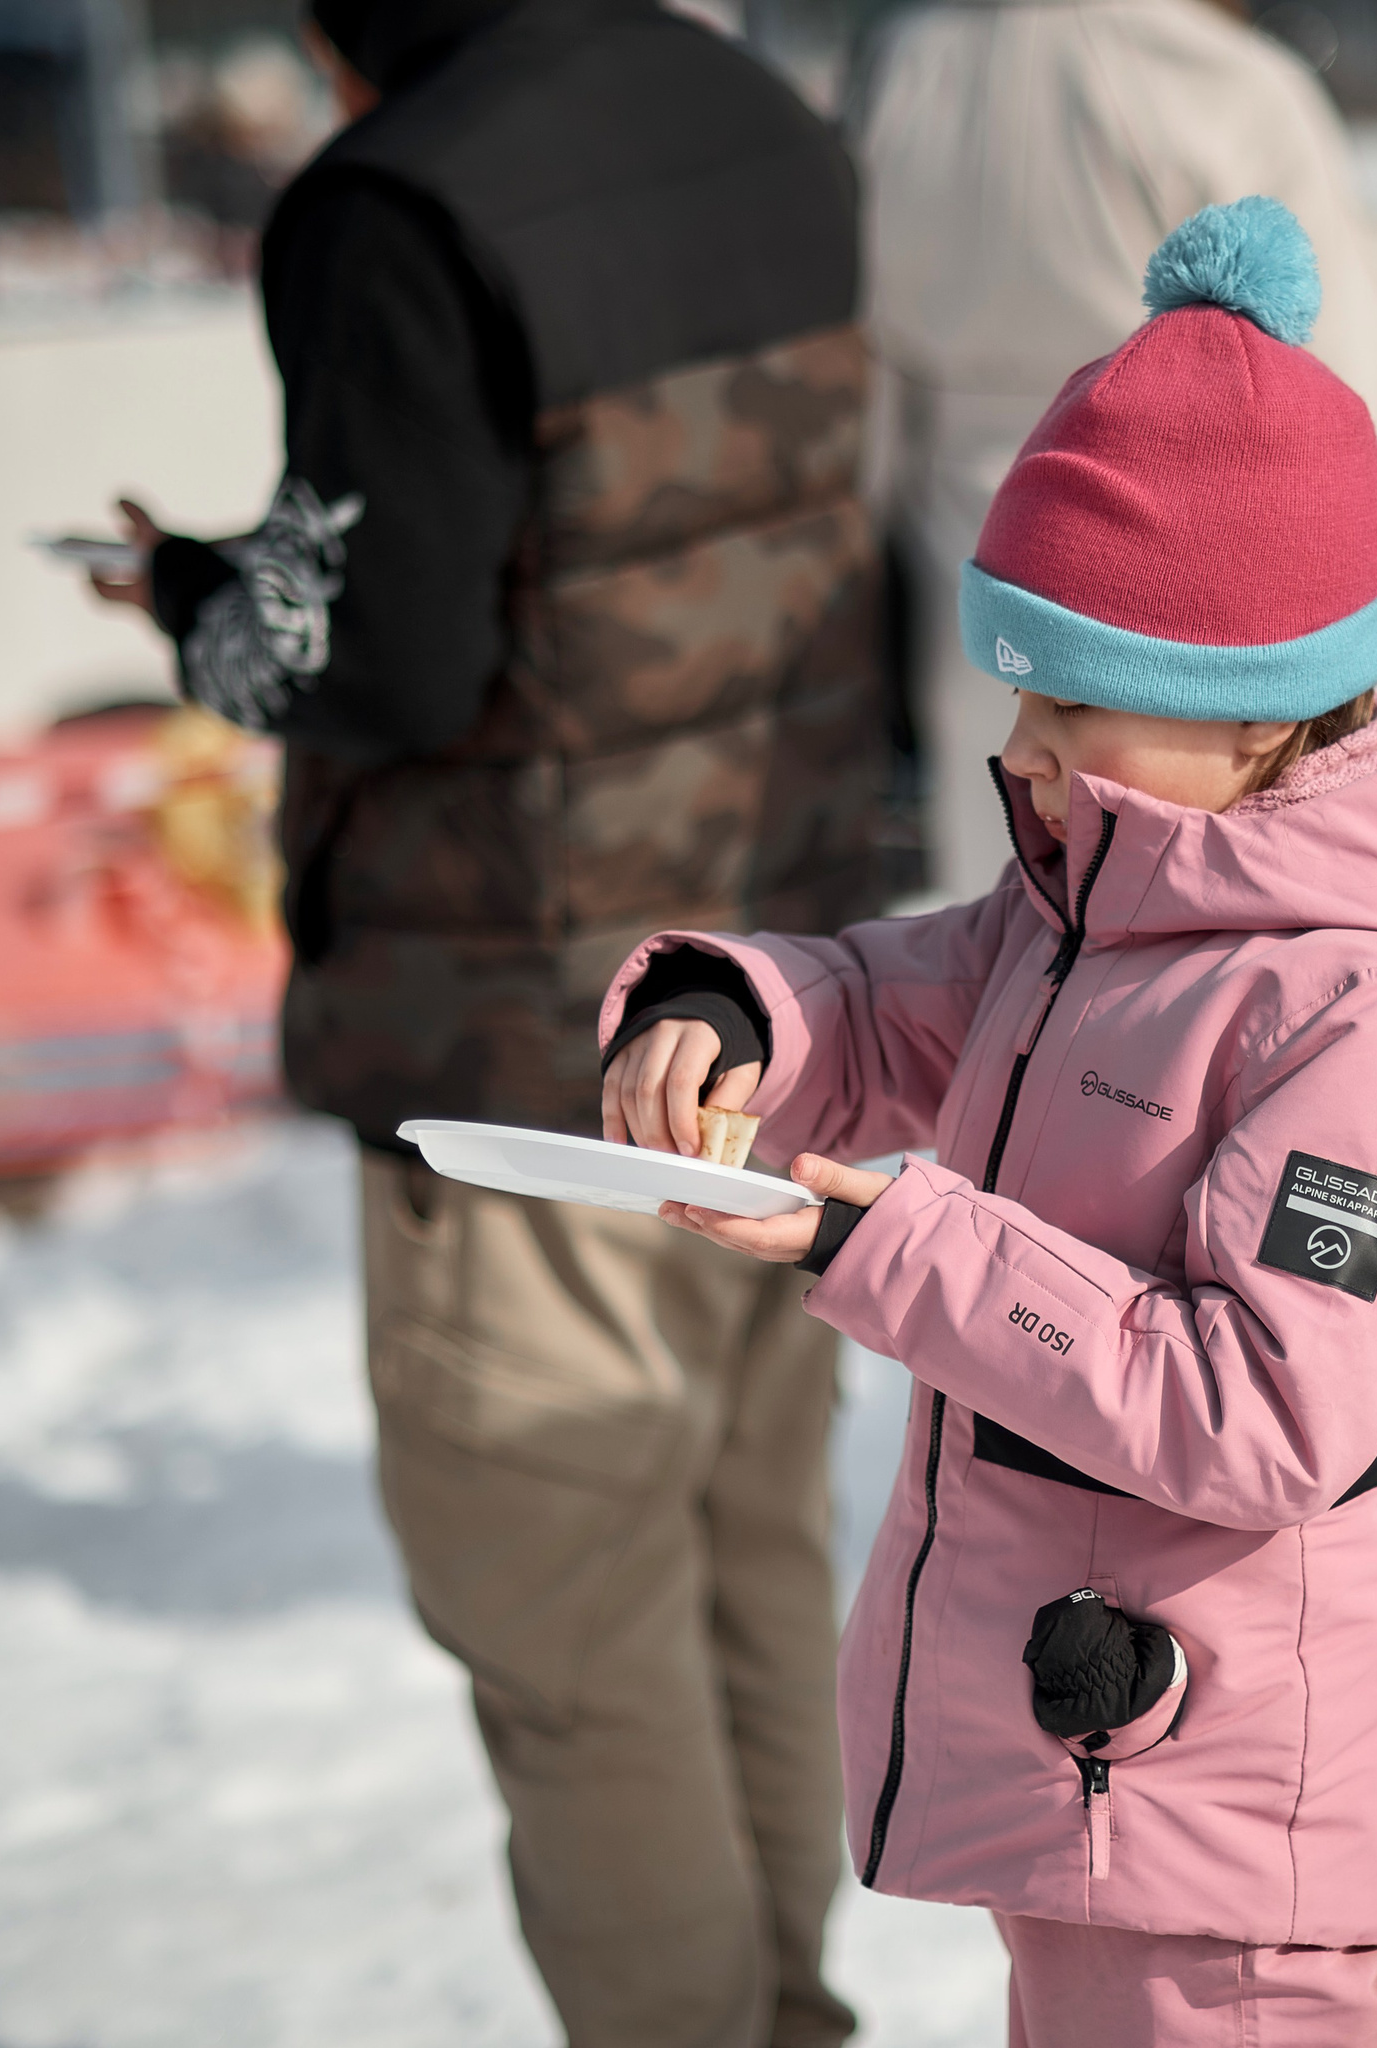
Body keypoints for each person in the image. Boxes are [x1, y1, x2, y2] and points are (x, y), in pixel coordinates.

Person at [600, 199, 1377, 2048]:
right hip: (1105, 1772)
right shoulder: (1104, 896)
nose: (1022, 744)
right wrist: (733, 1006)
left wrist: (877, 1242)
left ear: (1251, 701)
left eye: (1073, 696)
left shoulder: (1367, 1007)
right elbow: (900, 998)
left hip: (1219, 1808)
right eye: (1018, 687)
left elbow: (1265, 1407)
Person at [85, 0, 881, 2038]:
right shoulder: (758, 110)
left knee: (578, 1648)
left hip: (526, 1047)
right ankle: (789, 2003)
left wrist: (194, 601)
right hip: (777, 999)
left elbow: (391, 650)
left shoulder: (400, 201)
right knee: (748, 1566)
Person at [849, 0, 1377, 899]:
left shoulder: (913, 63)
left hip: (972, 533)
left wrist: (868, 513)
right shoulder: (1223, 79)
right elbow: (1344, 371)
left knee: (1001, 876)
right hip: (1200, 574)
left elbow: (866, 341)